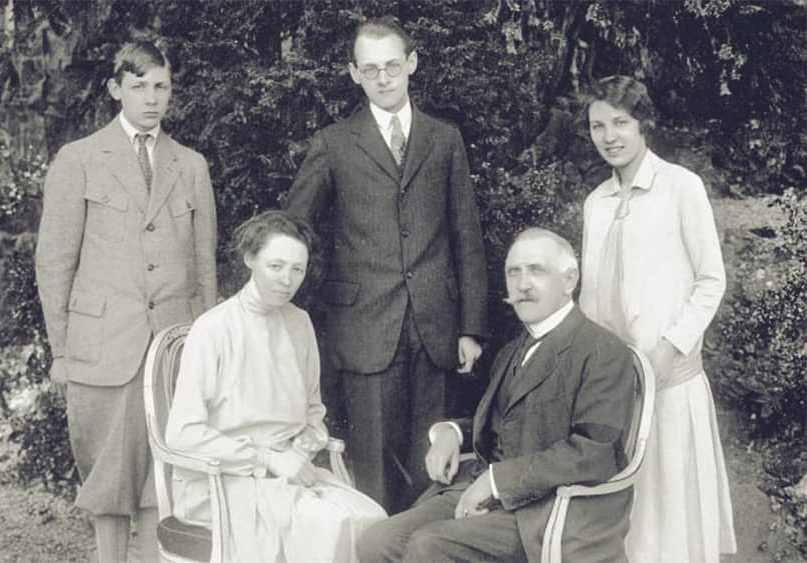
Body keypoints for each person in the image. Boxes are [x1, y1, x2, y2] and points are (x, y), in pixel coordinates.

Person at [285, 15, 488, 515]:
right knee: (372, 471)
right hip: (363, 329)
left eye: (392, 66)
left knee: (433, 467)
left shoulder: (444, 140)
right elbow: (294, 230)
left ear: (412, 64)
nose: (383, 78)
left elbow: (467, 236)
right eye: (370, 69)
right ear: (354, 73)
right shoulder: (333, 143)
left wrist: (472, 328)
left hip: (434, 329)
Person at [34, 39, 217, 562]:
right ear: (116, 89)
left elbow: (204, 267)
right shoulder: (80, 160)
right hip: (101, 349)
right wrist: (62, 353)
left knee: (165, 480)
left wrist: (203, 349)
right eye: (139, 87)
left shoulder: (191, 165)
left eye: (161, 87)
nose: (152, 99)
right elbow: (54, 264)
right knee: (110, 483)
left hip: (172, 348)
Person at [357, 228, 636, 562]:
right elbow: (501, 420)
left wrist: (496, 482)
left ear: (570, 279)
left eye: (537, 270)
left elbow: (593, 452)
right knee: (377, 540)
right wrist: (452, 433)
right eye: (513, 272)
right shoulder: (512, 351)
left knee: (428, 546)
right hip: (488, 492)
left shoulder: (602, 350)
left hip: (548, 510)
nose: (522, 284)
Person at [165, 210, 387, 562]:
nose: (287, 280)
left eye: (297, 270)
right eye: (276, 266)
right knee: (327, 526)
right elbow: (181, 433)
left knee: (370, 520)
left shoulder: (300, 323)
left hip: (291, 471)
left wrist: (300, 448)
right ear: (251, 258)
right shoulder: (214, 329)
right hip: (223, 480)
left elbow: (314, 412)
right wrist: (267, 458)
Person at [579, 75, 736, 562]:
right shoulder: (596, 203)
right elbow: (590, 295)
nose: (609, 136)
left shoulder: (680, 188)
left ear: (644, 124)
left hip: (669, 377)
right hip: (613, 385)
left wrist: (671, 346)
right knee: (625, 513)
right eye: (598, 126)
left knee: (671, 512)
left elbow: (711, 280)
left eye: (620, 123)